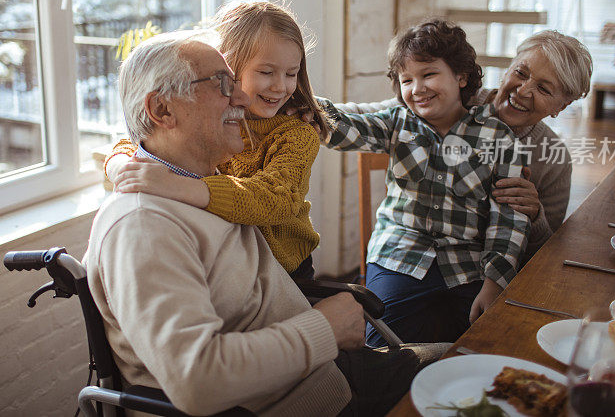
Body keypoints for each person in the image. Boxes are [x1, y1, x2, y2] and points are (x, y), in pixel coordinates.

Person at [85, 29, 448, 416]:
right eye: (223, 83)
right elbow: (198, 380)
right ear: (162, 111)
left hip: (324, 373)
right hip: (311, 397)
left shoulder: (197, 179)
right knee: (466, 369)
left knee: (463, 359)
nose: (241, 96)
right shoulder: (143, 226)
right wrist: (325, 328)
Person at [318, 20, 530, 346]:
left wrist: (494, 281)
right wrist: (299, 99)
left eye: (429, 74)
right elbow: (344, 128)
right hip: (399, 255)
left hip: (469, 264)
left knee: (486, 344)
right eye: (407, 80)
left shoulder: (497, 136)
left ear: (461, 76)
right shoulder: (396, 122)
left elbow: (509, 220)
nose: (417, 88)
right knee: (383, 348)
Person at [105, 1, 331, 279]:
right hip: (236, 257)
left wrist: (181, 186)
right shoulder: (214, 120)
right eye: (266, 72)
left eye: (291, 74)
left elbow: (276, 198)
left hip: (285, 268)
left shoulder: (295, 134)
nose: (280, 86)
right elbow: (140, 142)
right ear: (230, 70)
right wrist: (121, 169)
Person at [334, 30, 593, 263]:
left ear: (561, 106)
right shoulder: (453, 99)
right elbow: (362, 116)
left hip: (480, 274)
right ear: (507, 69)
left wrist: (535, 215)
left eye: (543, 89)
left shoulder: (553, 158)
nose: (523, 91)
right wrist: (303, 106)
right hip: (413, 255)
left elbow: (547, 254)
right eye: (520, 73)